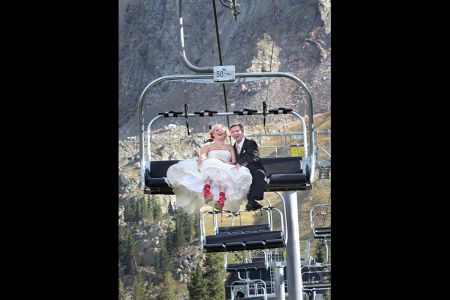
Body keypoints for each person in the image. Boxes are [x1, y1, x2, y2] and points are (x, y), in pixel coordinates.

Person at [165, 124, 253, 213]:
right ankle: (214, 194)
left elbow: (233, 161)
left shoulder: (230, 147)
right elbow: (202, 157)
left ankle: (215, 195)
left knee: (221, 169)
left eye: (222, 130)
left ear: (226, 134)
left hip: (224, 168)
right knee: (212, 164)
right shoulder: (207, 147)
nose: (219, 131)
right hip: (210, 168)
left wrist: (223, 163)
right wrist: (202, 162)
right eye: (217, 130)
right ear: (213, 134)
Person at [230, 123, 266, 211]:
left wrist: (240, 164)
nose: (235, 134)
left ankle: (252, 200)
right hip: (239, 172)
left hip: (253, 169)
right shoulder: (232, 148)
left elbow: (251, 156)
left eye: (237, 131)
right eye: (233, 132)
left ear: (242, 132)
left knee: (258, 174)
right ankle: (251, 202)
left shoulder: (250, 143)